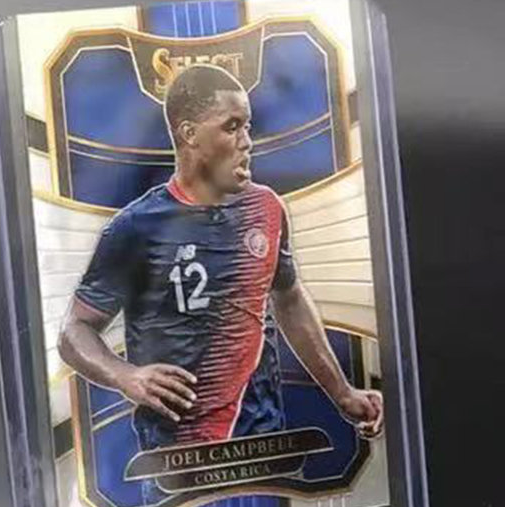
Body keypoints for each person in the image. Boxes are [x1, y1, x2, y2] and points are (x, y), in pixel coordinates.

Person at [57, 63, 383, 470]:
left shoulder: (266, 209)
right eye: (232, 127)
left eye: (248, 126)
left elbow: (289, 298)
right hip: (176, 458)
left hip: (264, 443)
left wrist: (343, 394)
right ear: (189, 134)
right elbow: (75, 330)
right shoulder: (135, 227)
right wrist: (125, 375)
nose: (247, 142)